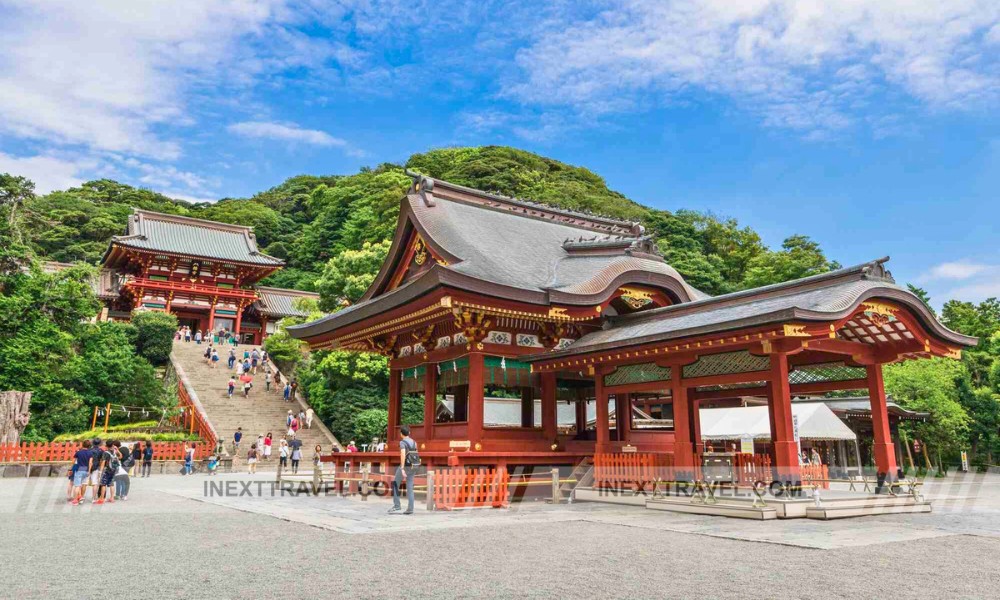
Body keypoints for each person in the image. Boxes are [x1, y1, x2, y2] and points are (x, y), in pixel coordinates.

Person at [389, 425, 417, 515]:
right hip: (413, 465)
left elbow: (403, 455)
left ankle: (397, 505)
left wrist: (402, 468)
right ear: (409, 433)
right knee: (410, 487)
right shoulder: (414, 442)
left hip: (405, 466)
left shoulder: (402, 443)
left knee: (396, 484)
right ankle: (410, 508)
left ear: (401, 434)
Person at [70, 440, 92, 505]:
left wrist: (72, 468)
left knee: (77, 485)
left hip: (79, 469)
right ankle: (81, 497)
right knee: (84, 484)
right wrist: (89, 471)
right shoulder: (90, 453)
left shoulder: (78, 452)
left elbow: (73, 461)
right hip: (86, 470)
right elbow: (90, 463)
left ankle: (75, 500)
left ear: (82, 445)